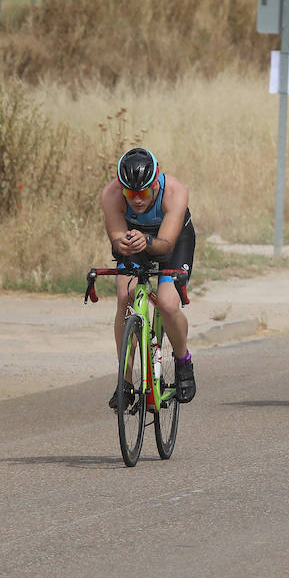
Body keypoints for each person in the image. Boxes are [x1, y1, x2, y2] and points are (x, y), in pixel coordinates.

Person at [98, 147, 196, 407]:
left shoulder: (175, 192)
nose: (137, 200)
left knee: (166, 303)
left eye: (143, 192)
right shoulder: (111, 195)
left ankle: (183, 360)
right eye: (130, 193)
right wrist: (124, 244)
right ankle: (126, 383)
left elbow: (165, 246)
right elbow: (117, 241)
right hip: (135, 240)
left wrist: (147, 240)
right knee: (124, 296)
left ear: (156, 182)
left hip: (171, 241)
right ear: (122, 188)